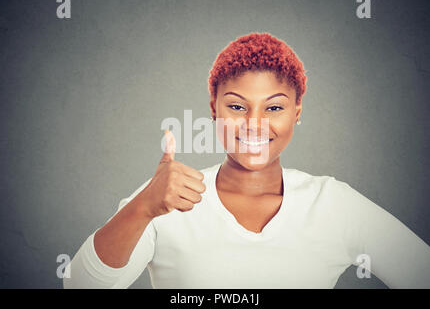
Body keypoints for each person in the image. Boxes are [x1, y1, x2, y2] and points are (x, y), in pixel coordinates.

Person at [63, 32, 430, 289]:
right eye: (237, 106)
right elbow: (80, 286)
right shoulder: (167, 197)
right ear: (214, 109)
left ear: (297, 112)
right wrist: (143, 206)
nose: (255, 124)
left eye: (274, 107)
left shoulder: (331, 204)